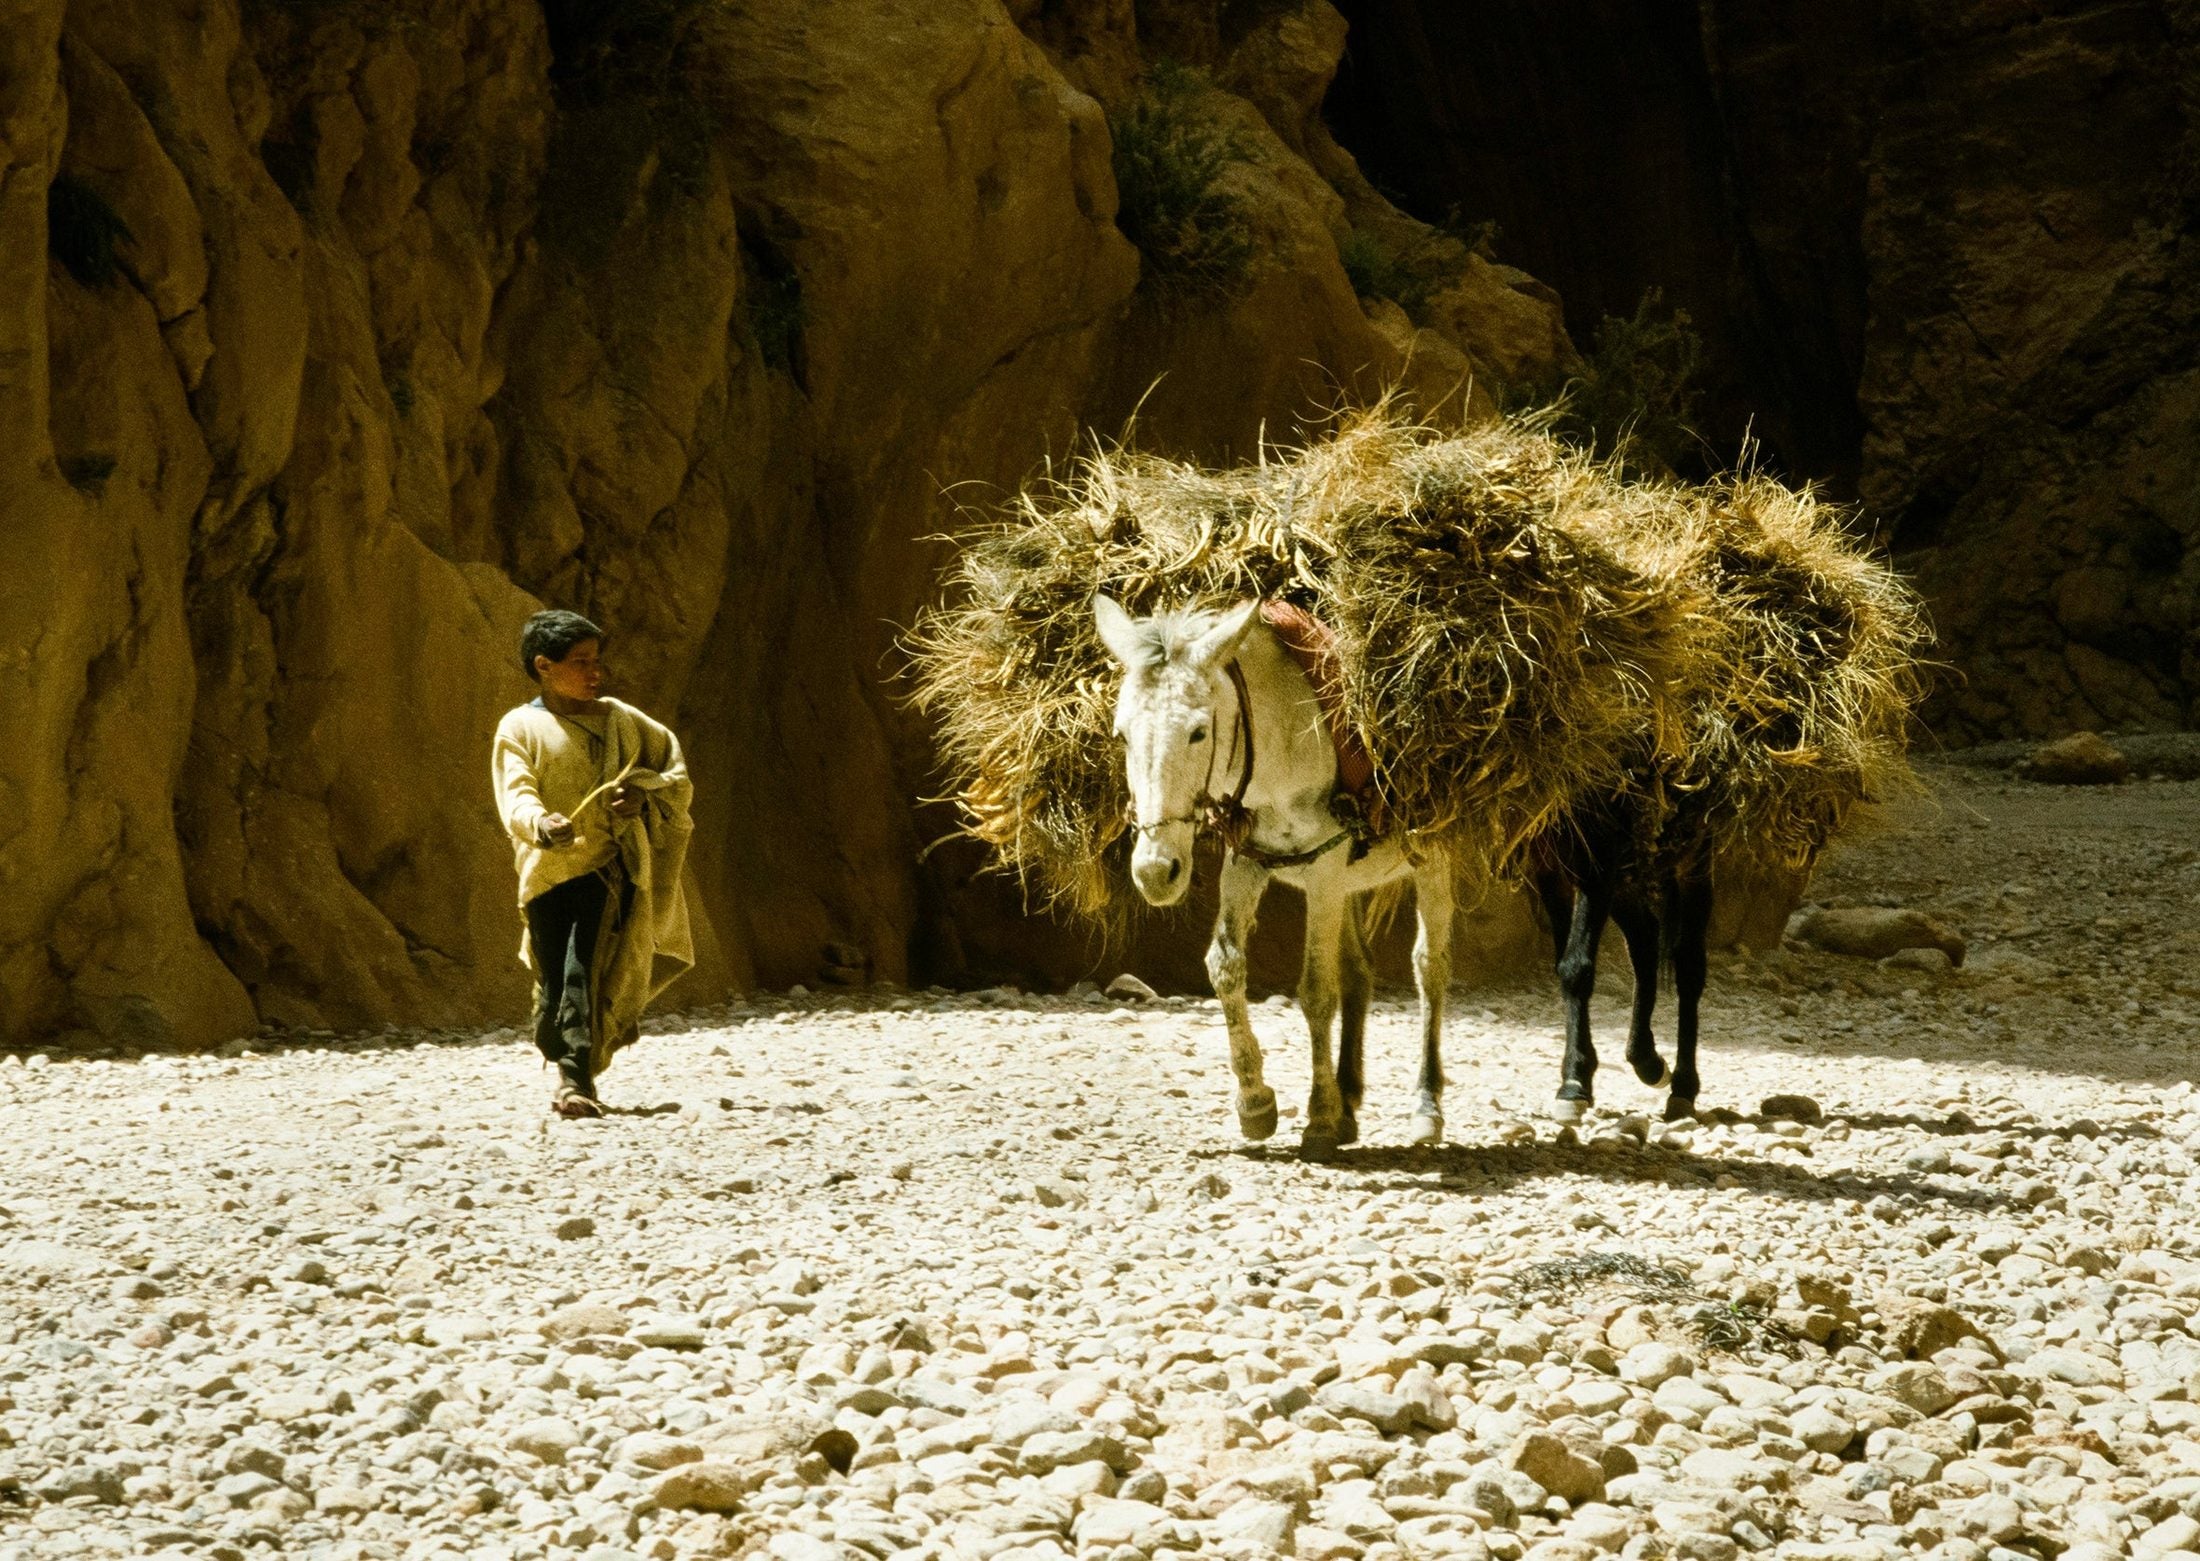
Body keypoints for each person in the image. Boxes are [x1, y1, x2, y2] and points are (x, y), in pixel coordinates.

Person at [492, 610, 696, 1117]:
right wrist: (541, 824)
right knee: (554, 981)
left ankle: (575, 1081)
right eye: (580, 662)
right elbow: (515, 793)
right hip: (546, 873)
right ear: (544, 666)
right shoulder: (520, 727)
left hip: (609, 868)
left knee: (583, 972)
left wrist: (641, 797)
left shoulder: (623, 721)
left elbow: (672, 776)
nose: (595, 673)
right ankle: (557, 1044)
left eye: (596, 661)